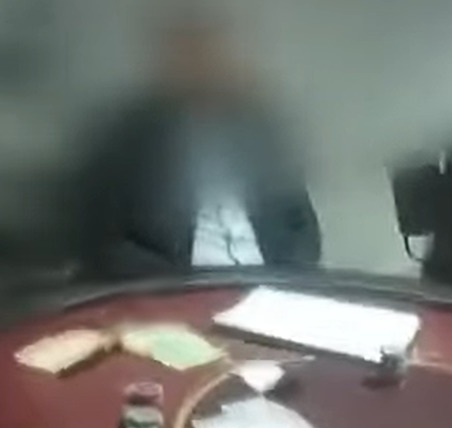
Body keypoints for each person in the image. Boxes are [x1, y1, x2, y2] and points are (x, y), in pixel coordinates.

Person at [71, 10, 321, 280]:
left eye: (214, 58)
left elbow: (302, 228)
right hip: (180, 288)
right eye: (191, 58)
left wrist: (287, 277)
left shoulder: (262, 135)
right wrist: (172, 285)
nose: (205, 70)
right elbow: (105, 243)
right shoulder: (128, 139)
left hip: (271, 284)